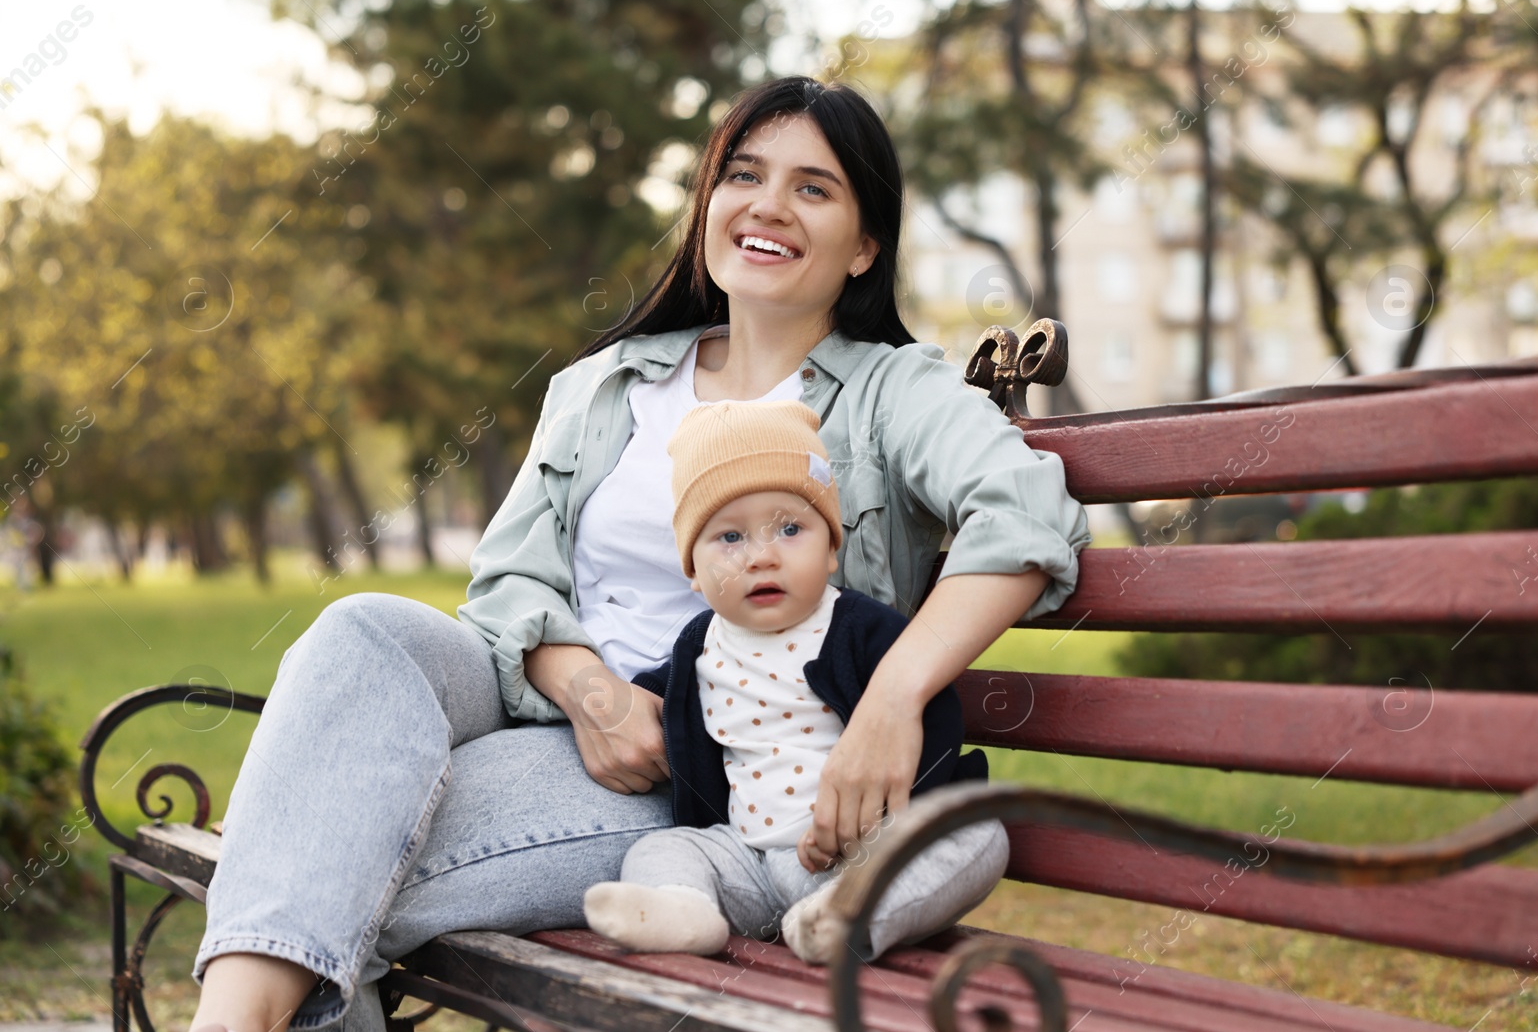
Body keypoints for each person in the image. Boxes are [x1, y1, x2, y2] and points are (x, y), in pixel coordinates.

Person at [187, 75, 1091, 1032]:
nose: (769, 205)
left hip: (707, 761)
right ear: (709, 202)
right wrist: (591, 693)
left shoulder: (892, 393)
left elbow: (1025, 516)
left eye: (814, 188)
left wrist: (891, 698)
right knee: (362, 629)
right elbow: (506, 586)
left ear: (866, 244)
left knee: (326, 865)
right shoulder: (605, 384)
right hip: (548, 702)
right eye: (744, 174)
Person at [582, 399, 1008, 961]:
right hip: (748, 862)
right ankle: (684, 909)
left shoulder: (858, 630)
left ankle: (848, 917)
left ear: (832, 548)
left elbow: (932, 713)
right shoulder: (695, 649)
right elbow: (655, 706)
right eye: (729, 538)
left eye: (789, 528)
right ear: (692, 571)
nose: (760, 557)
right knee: (669, 847)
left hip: (861, 855)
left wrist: (900, 820)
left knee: (979, 838)